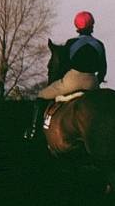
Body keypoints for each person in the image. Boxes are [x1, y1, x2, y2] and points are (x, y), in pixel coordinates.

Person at [26, 11, 108, 140]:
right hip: (92, 82)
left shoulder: (71, 43)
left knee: (41, 95)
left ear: (77, 26)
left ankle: (34, 131)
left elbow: (63, 68)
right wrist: (96, 81)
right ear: (92, 25)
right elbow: (103, 70)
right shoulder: (99, 44)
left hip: (72, 80)